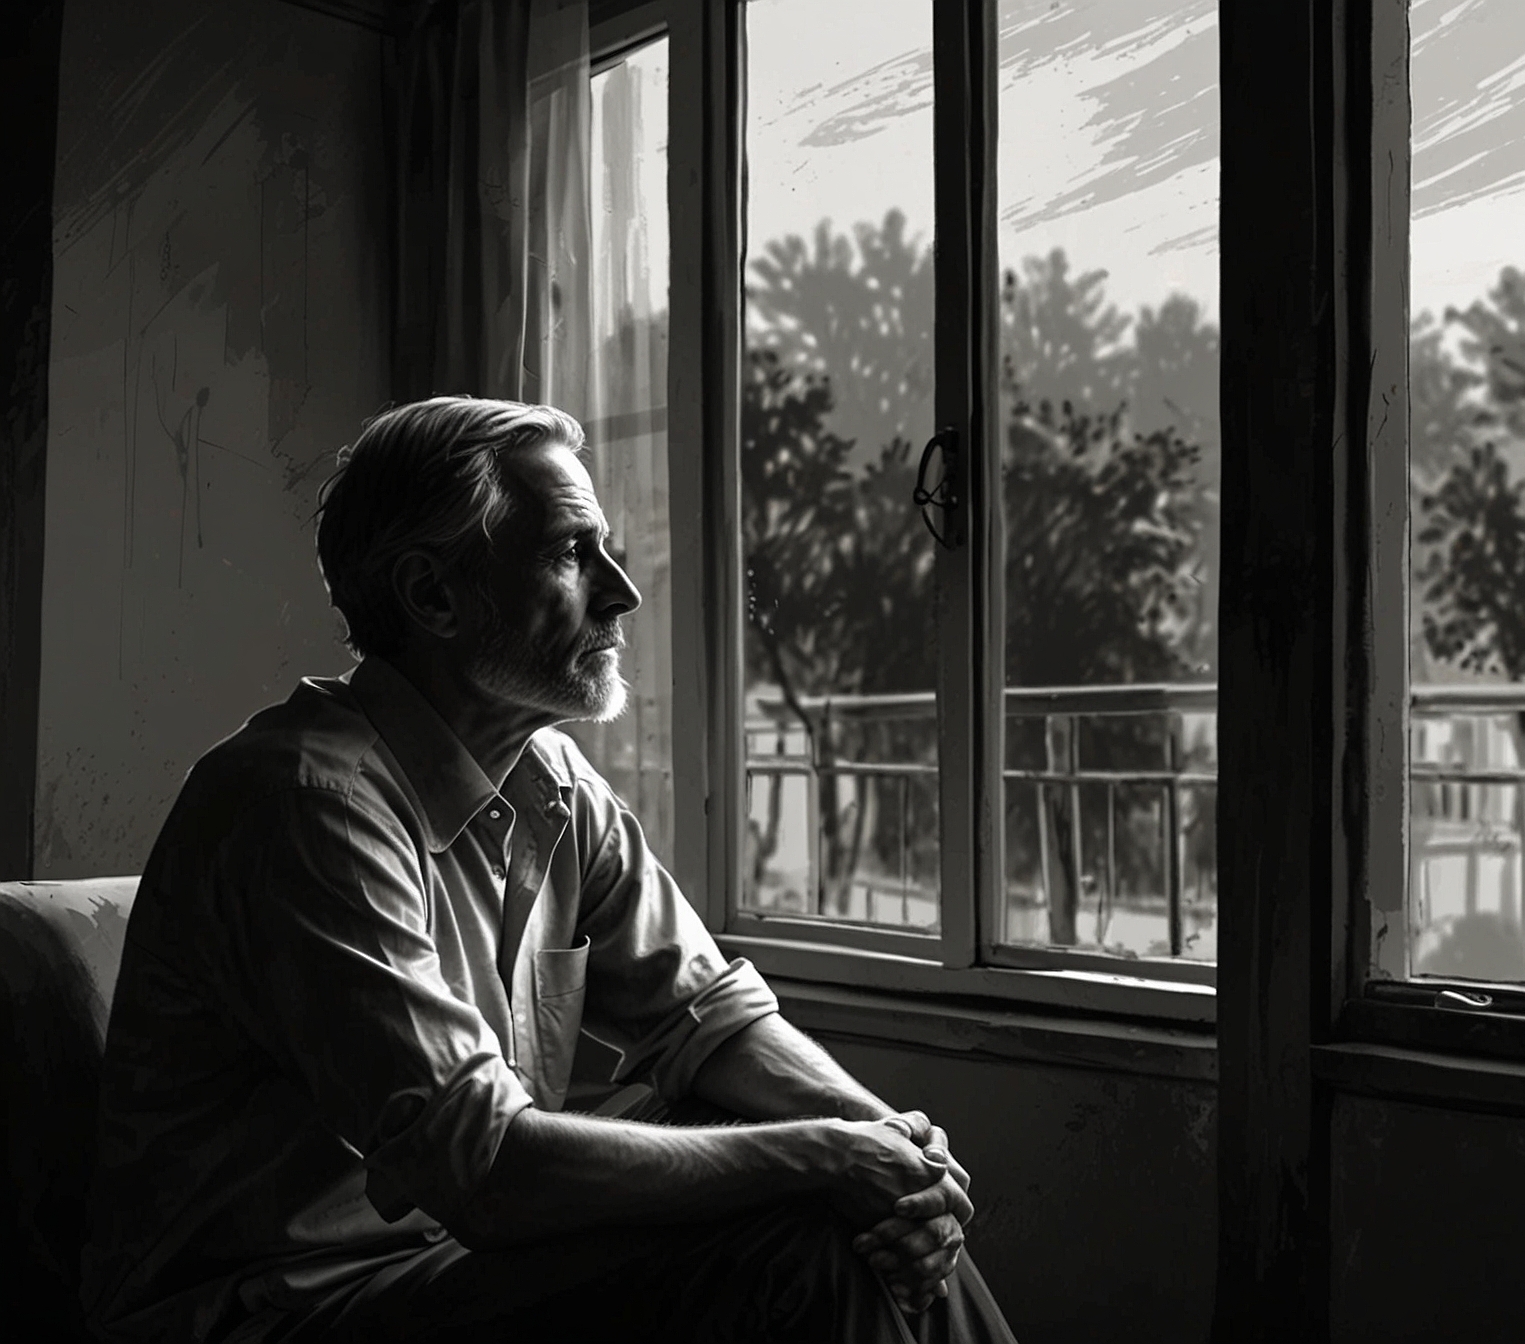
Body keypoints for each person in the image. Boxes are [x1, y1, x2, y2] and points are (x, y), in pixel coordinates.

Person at [81, 397, 1019, 1343]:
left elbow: (709, 1020)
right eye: (572, 553)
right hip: (286, 1304)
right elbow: (483, 1171)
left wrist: (891, 1149)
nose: (622, 591)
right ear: (434, 596)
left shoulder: (550, 782)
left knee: (842, 1180)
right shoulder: (303, 803)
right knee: (806, 1219)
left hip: (450, 1264)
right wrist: (825, 1162)